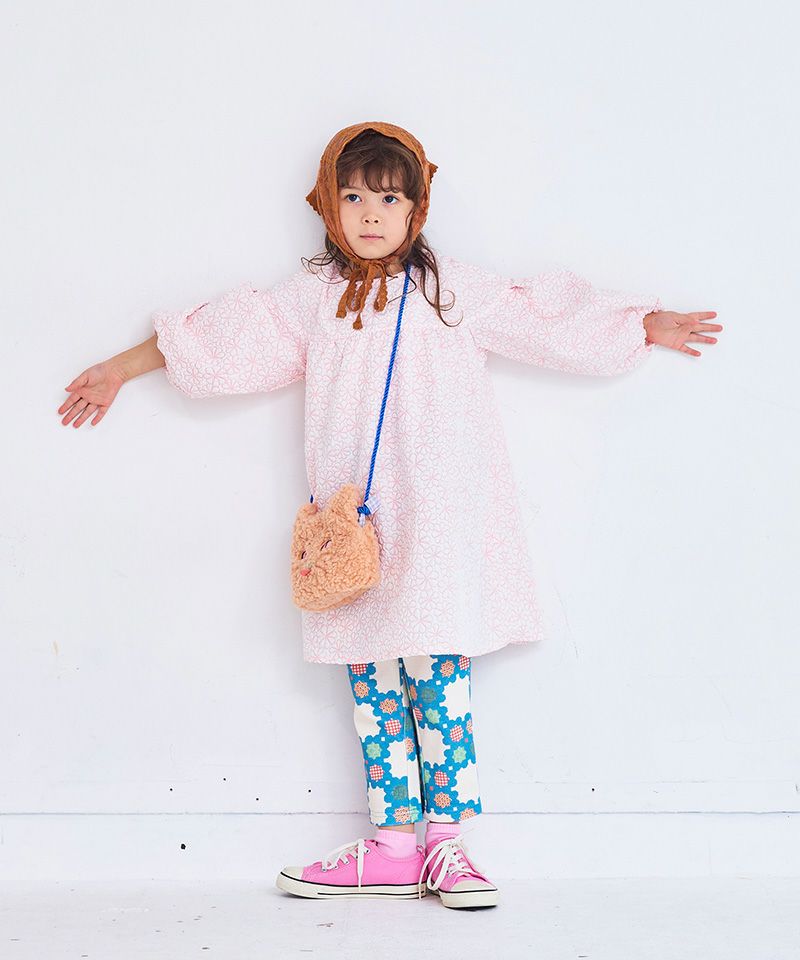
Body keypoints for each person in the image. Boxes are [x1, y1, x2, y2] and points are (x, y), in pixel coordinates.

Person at [57, 121, 722, 909]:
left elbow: (542, 320)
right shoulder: (312, 299)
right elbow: (223, 339)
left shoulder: (452, 291)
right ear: (327, 206)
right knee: (372, 681)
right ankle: (393, 846)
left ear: (417, 209)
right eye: (352, 197)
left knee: (439, 676)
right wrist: (119, 368)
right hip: (356, 530)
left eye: (389, 198)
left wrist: (641, 324)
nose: (371, 213)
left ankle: (448, 846)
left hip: (440, 522)